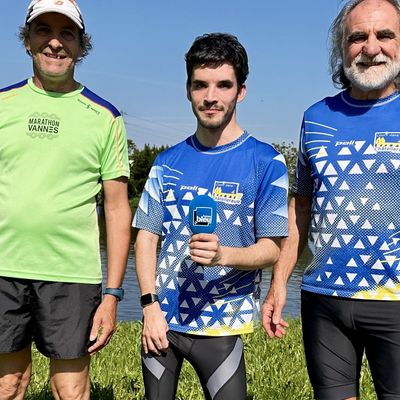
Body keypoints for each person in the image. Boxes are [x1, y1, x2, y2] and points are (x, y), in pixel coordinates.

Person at [133, 32, 288, 400]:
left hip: (222, 326)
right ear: (188, 90)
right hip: (162, 322)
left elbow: (271, 249)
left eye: (223, 85)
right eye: (200, 85)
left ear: (241, 91)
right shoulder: (166, 162)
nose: (211, 97)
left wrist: (225, 255)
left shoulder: (266, 161)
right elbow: (146, 238)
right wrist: (148, 305)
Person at [262, 0, 400, 399]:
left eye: (384, 35)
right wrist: (279, 283)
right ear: (341, 49)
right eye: (358, 36)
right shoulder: (316, 117)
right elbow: (301, 207)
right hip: (323, 300)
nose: (370, 47)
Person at [0, 0, 131, 398]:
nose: (55, 43)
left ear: (80, 45)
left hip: (72, 274)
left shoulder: (105, 117)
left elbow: (117, 208)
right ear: (27, 41)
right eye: (44, 31)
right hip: (4, 267)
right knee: (8, 385)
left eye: (66, 34)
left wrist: (112, 295)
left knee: (70, 390)